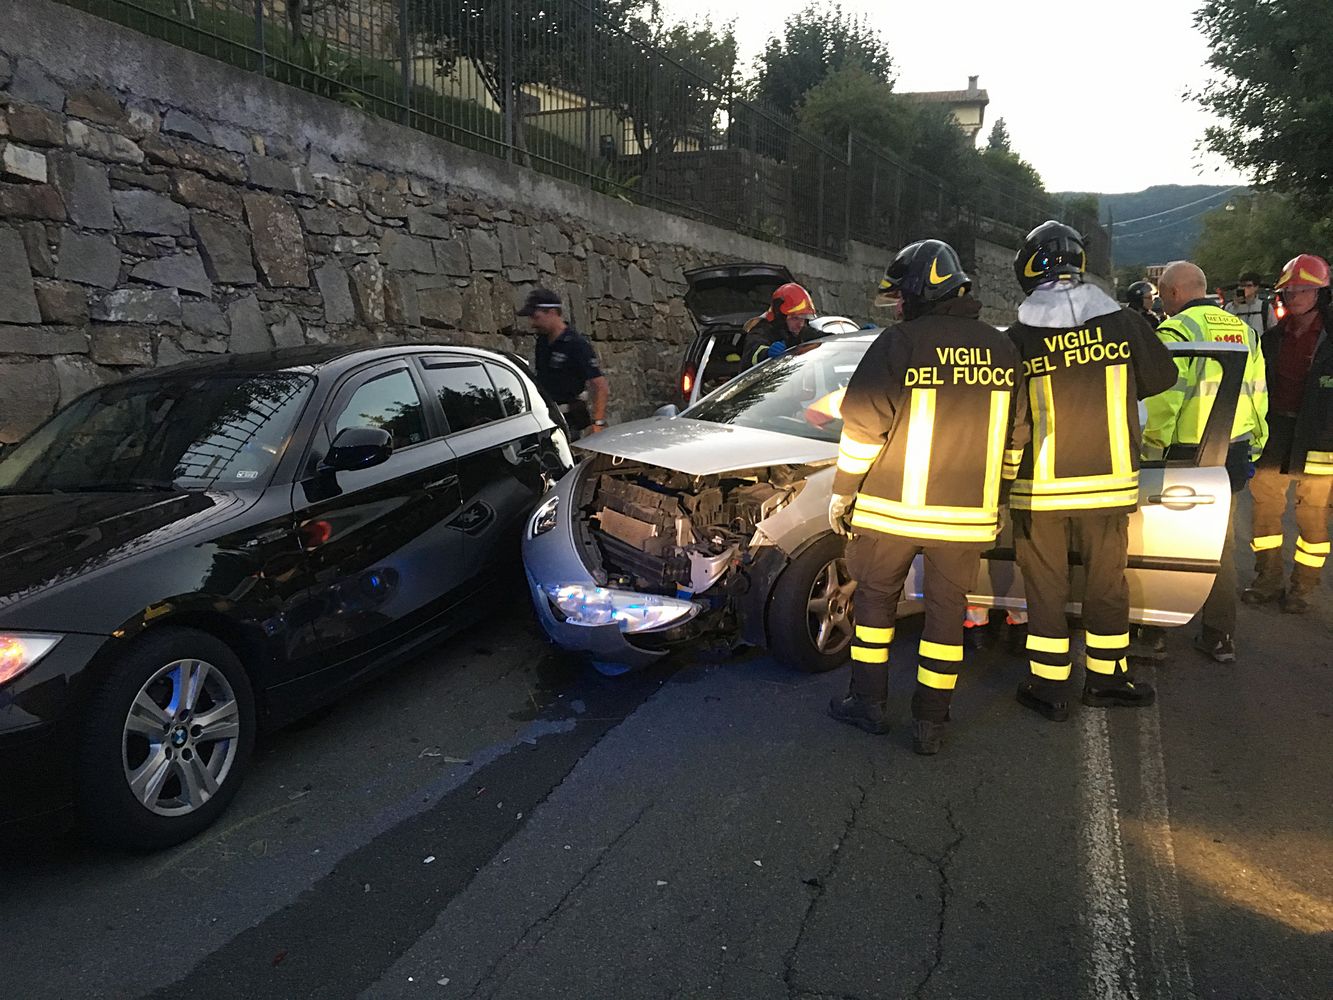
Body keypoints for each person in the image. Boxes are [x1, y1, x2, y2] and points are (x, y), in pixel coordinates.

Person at [827, 239, 1027, 755]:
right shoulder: (1002, 348)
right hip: (965, 520)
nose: (896, 306)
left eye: (900, 296)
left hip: (891, 512)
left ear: (919, 291)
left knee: (874, 608)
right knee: (946, 615)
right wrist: (999, 494)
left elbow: (863, 428)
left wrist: (843, 492)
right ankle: (931, 723)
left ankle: (867, 705)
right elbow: (1016, 437)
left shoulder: (900, 342)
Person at [1006, 221, 1177, 721]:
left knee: (1046, 587)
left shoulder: (1020, 336)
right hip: (1109, 486)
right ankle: (1106, 679)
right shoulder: (1124, 323)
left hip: (1039, 489)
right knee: (1107, 583)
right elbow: (1160, 379)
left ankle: (1048, 685)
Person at [1142, 260, 1268, 663]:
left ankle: (1153, 631)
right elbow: (1259, 392)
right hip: (1232, 450)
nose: (1162, 303)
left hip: (1185, 452)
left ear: (1175, 293)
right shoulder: (1244, 331)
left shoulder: (1175, 331)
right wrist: (1255, 445)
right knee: (1220, 544)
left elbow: (1164, 402)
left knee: (1161, 542)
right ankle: (1218, 634)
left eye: (1162, 295)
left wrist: (1148, 451)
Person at [1242, 253, 1333, 613]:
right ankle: (1266, 580)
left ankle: (1303, 588)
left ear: (1321, 293)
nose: (1294, 297)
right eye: (1289, 290)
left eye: (1303, 290)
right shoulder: (1273, 338)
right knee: (1265, 512)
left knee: (1312, 517)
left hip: (1320, 439)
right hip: (1276, 432)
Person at [518, 287, 610, 437]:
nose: (532, 323)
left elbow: (600, 386)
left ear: (552, 312)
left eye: (536, 317)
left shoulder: (576, 344)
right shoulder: (542, 341)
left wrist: (598, 423)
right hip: (546, 418)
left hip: (570, 421)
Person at [742, 282, 819, 365]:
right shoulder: (761, 331)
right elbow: (752, 353)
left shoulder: (801, 331)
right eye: (795, 318)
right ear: (781, 318)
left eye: (804, 318)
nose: (801, 324)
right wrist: (766, 353)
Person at [1225, 271, 1276, 337]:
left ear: (1256, 287)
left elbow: (1273, 329)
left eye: (1249, 286)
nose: (1244, 289)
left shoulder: (1265, 307)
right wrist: (1235, 307)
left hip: (1259, 344)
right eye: (1242, 286)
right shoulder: (1230, 307)